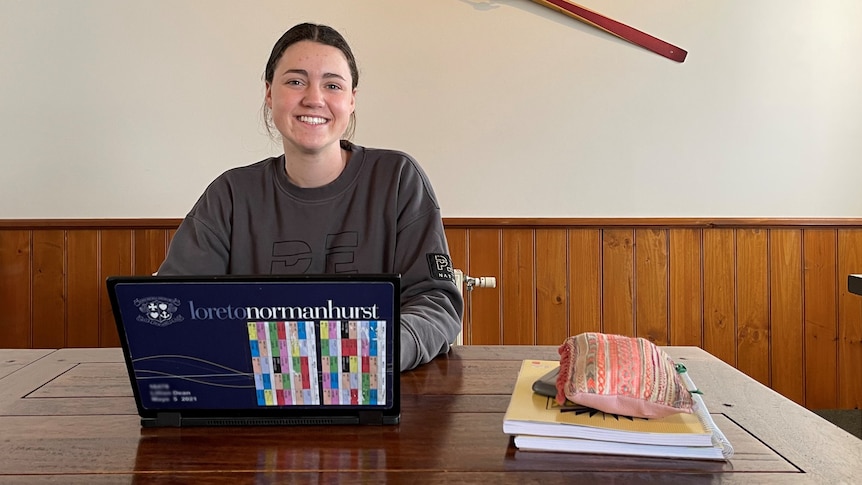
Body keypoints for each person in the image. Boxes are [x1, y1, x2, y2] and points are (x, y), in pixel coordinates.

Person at [157, 22, 463, 371]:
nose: (314, 98)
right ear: (270, 93)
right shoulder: (229, 195)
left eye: (332, 85)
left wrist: (377, 353)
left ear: (351, 100)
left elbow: (435, 301)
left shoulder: (397, 179)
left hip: (376, 391)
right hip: (255, 399)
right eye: (295, 81)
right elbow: (174, 307)